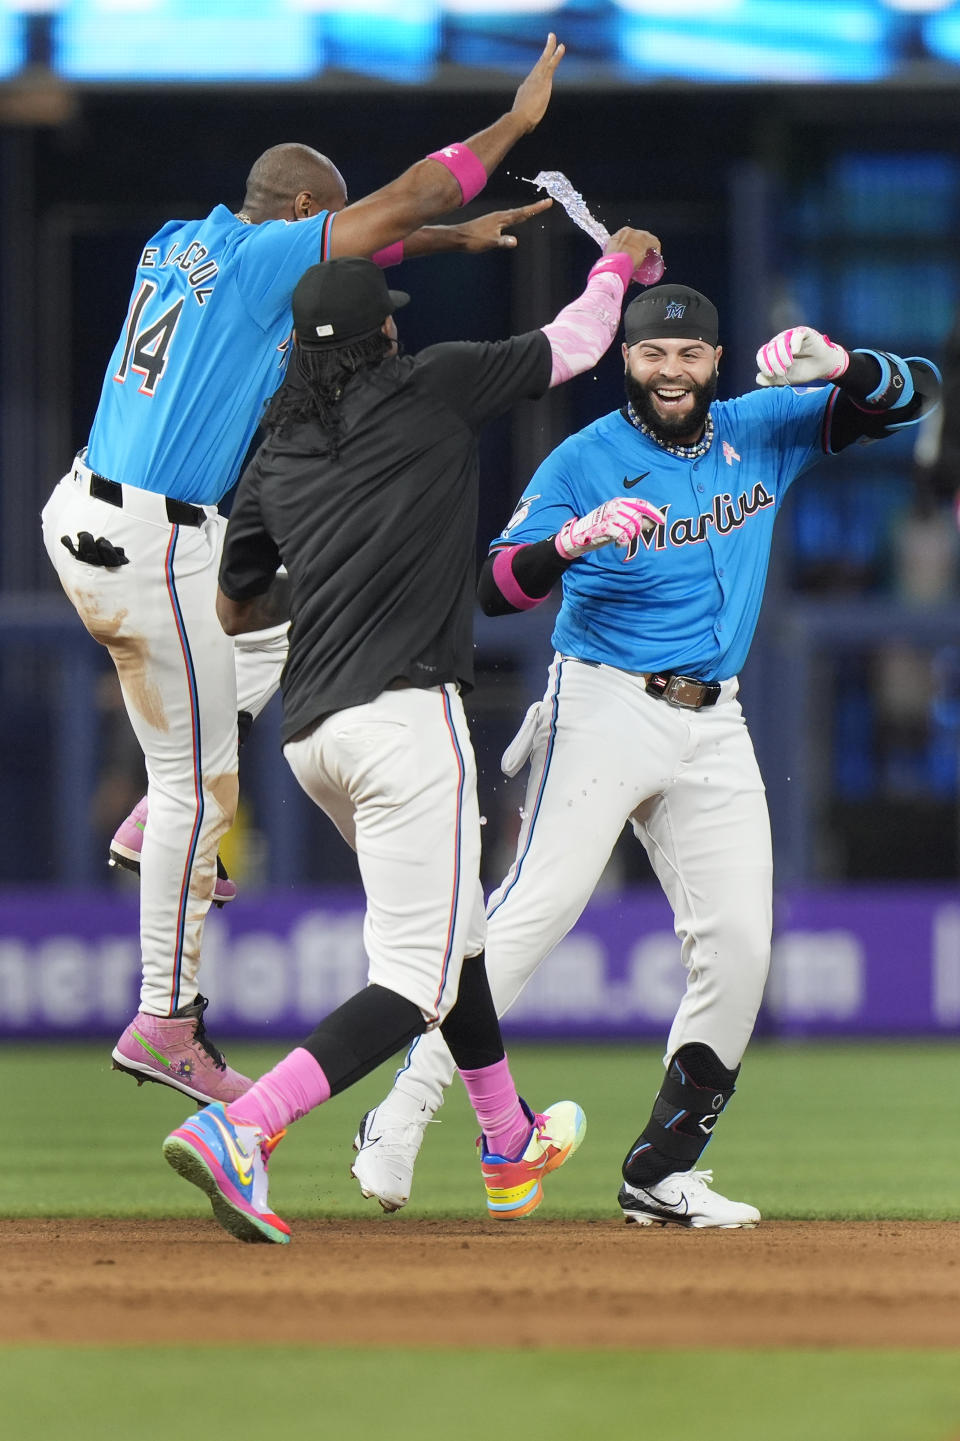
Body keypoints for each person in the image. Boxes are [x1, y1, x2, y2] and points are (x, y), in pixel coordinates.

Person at [40, 35, 566, 1108]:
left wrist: (445, 242)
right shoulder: (263, 256)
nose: (344, 243)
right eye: (325, 225)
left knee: (281, 627)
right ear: (292, 214)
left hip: (81, 512)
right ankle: (166, 1020)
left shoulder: (181, 240)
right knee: (201, 784)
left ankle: (159, 812)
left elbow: (344, 252)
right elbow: (398, 197)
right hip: (156, 542)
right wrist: (510, 129)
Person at [351, 290, 943, 1228]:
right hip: (605, 704)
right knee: (530, 916)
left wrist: (839, 364)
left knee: (743, 944)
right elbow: (497, 587)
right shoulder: (585, 459)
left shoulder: (766, 425)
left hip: (715, 717)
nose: (673, 369)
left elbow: (916, 393)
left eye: (691, 353)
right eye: (654, 352)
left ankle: (662, 1172)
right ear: (626, 358)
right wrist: (568, 541)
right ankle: (403, 1111)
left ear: (718, 358)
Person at [160, 223, 666, 1243]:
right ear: (380, 341)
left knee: (455, 932)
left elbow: (237, 606)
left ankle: (506, 1136)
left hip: (313, 738)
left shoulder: (276, 449)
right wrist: (617, 265)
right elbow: (577, 342)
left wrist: (336, 574)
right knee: (418, 975)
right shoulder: (431, 384)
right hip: (405, 719)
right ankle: (244, 1129)